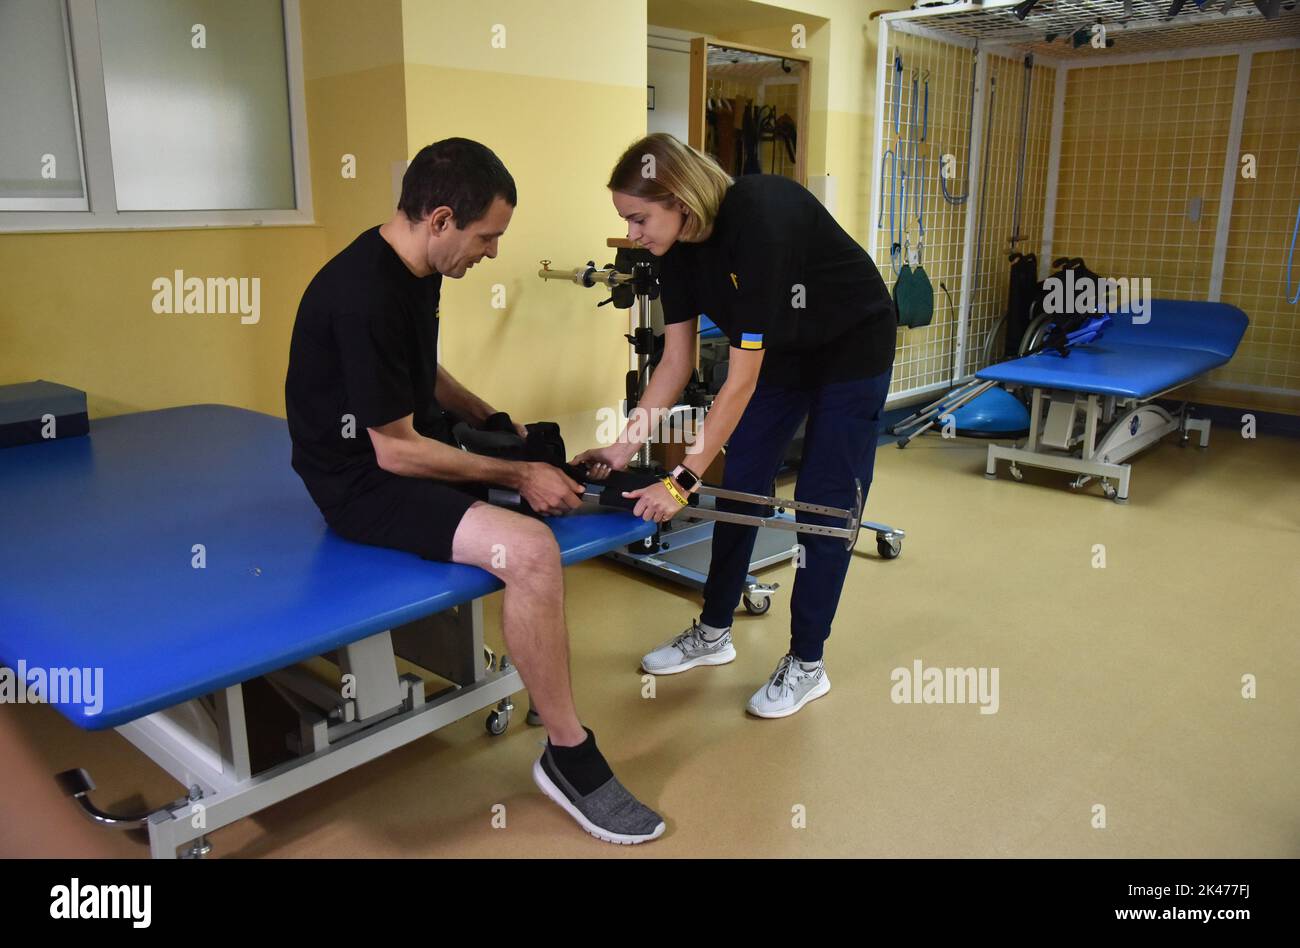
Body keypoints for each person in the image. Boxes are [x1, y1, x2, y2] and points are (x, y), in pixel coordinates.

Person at [285, 138, 664, 844]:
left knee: (549, 470)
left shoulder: (415, 266)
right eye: (487, 237)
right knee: (530, 550)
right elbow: (395, 452)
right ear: (439, 220)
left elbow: (422, 372)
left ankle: (548, 699)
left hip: (411, 445)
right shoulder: (359, 296)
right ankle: (567, 754)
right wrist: (516, 474)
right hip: (360, 480)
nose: (490, 253)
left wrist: (494, 424)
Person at [575, 133, 896, 718]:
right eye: (628, 220)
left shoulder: (758, 217)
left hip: (853, 344)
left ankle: (807, 662)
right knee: (743, 477)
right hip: (788, 354)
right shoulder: (670, 254)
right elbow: (678, 362)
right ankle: (714, 631)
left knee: (824, 502)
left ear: (681, 199)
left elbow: (739, 383)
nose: (634, 233)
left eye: (640, 217)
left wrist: (680, 481)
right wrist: (624, 447)